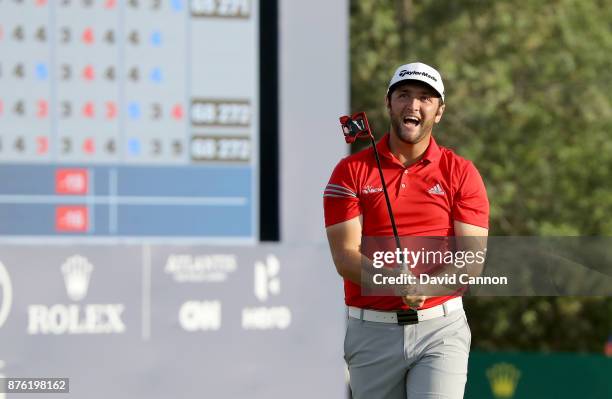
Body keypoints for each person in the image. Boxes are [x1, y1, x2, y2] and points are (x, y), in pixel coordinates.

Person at [323, 62, 489, 399]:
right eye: (404, 95)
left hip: (440, 328)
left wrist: (425, 286)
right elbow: (344, 256)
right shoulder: (350, 172)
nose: (413, 105)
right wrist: (392, 280)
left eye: (425, 98)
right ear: (388, 103)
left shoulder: (461, 173)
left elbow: (471, 260)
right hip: (371, 331)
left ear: (439, 111)